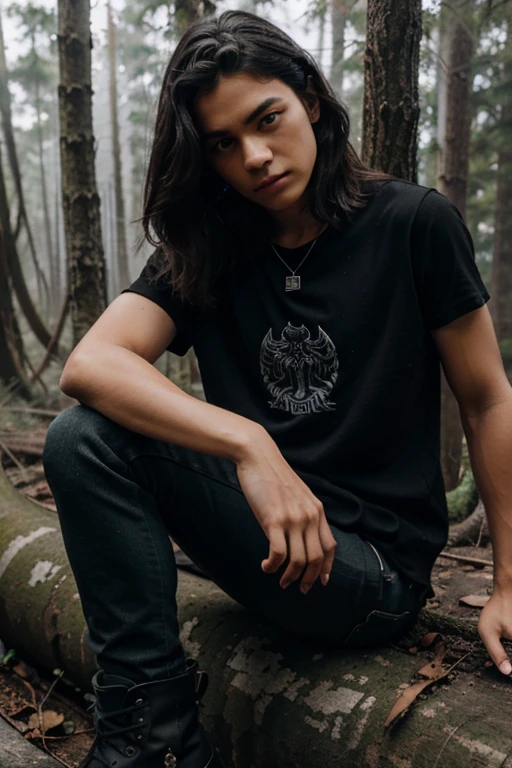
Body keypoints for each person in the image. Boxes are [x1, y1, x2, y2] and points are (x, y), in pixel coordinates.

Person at [43, 9, 512, 768]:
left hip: (370, 572)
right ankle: (153, 737)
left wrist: (507, 584)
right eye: (224, 144)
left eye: (268, 120)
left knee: (84, 438)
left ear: (311, 100)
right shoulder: (210, 247)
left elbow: (489, 398)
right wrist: (249, 442)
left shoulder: (413, 224)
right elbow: (91, 364)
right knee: (81, 438)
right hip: (262, 546)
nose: (255, 157)